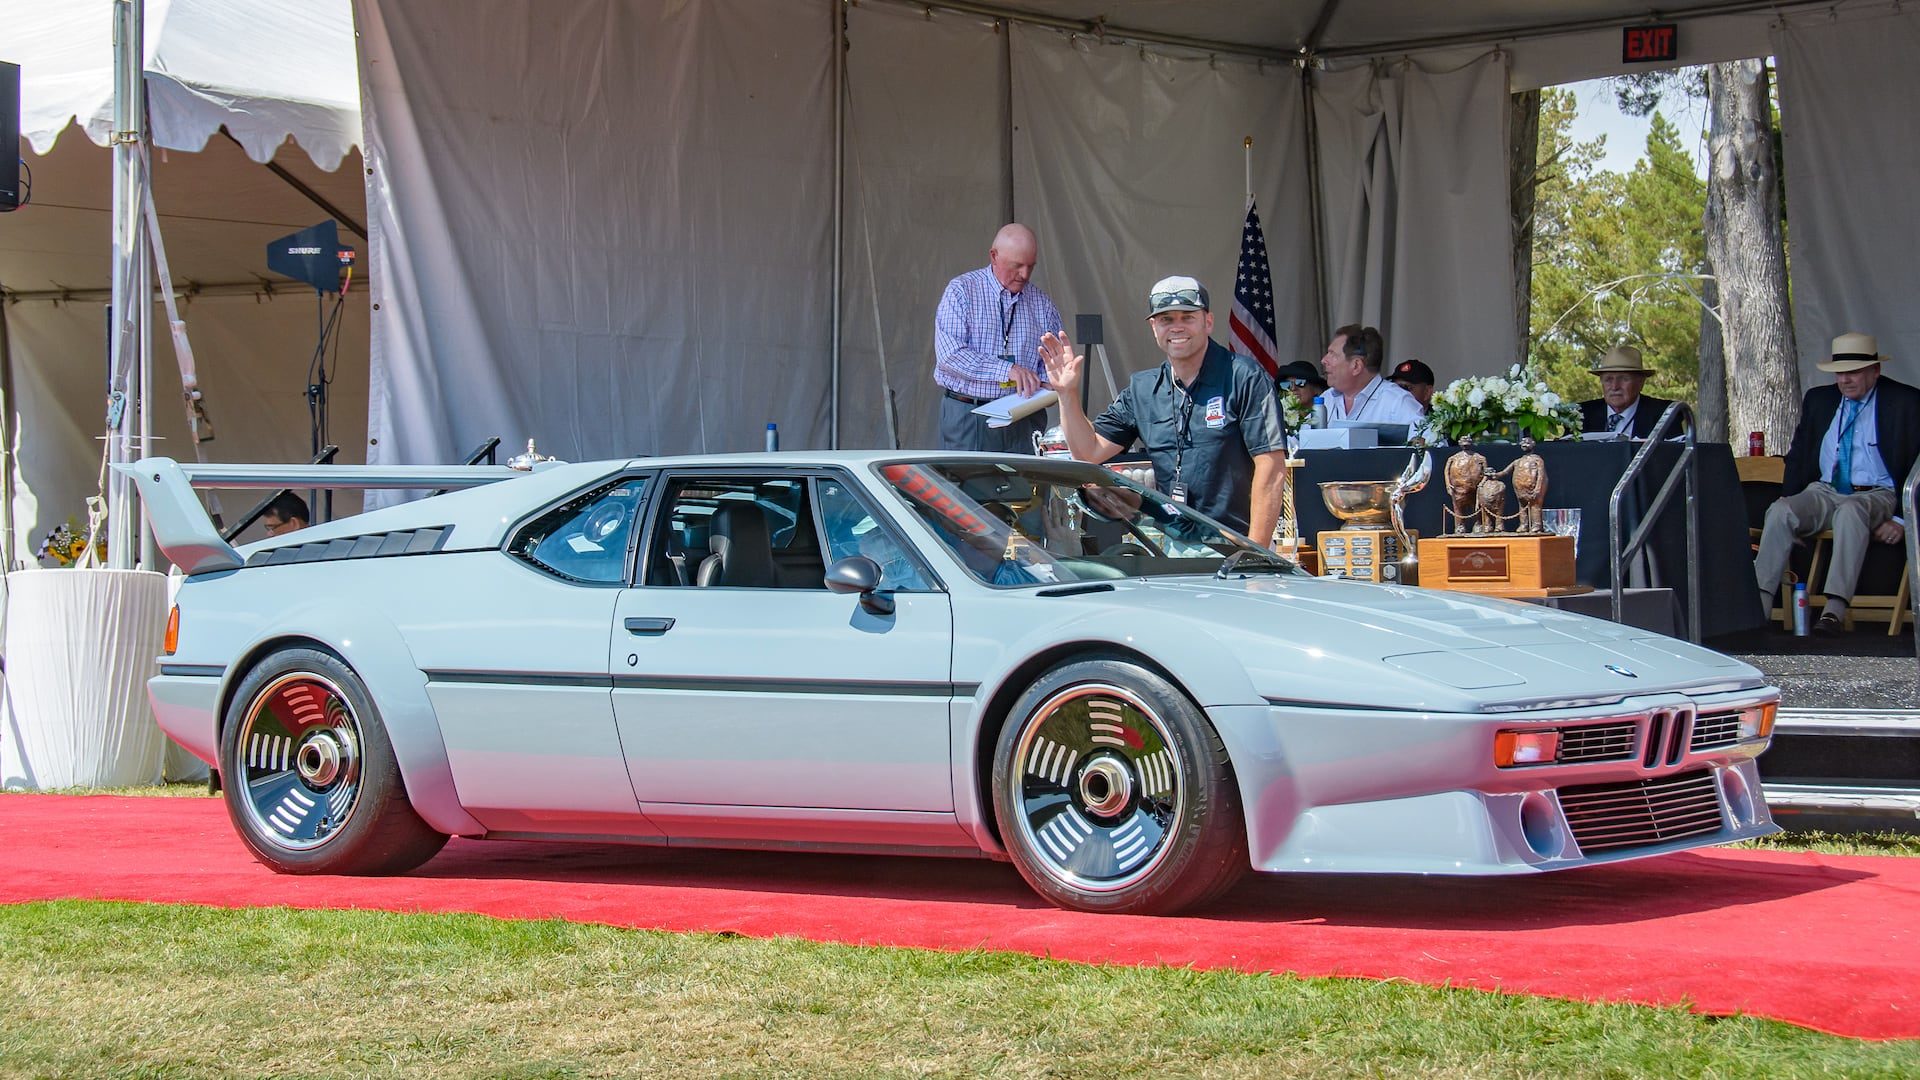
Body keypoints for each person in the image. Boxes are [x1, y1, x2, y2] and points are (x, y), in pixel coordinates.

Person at [1037, 275, 1287, 543]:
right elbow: (1089, 452)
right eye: (1166, 319)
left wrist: (1255, 553)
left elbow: (1271, 467)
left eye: (1187, 317)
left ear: (1208, 321)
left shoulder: (1244, 377)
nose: (1176, 327)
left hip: (1236, 542)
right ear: (1154, 327)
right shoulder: (1143, 388)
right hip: (1172, 545)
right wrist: (1067, 394)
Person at [1754, 332, 1920, 635]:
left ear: (1875, 371)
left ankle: (1834, 610)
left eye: (1854, 371)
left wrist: (1901, 519)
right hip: (1825, 488)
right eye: (1840, 372)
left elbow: (1918, 466)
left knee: (1851, 511)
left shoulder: (1905, 401)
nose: (1845, 379)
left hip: (1876, 493)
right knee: (1780, 511)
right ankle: (1757, 606)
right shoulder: (1820, 399)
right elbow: (1799, 456)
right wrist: (1794, 505)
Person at [932, 223, 1063, 453]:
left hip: (1024, 417)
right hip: (969, 415)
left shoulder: (1042, 304)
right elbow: (950, 356)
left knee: (1027, 487)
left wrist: (1046, 383)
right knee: (969, 488)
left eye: (1030, 266)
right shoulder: (962, 291)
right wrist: (1007, 370)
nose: (1024, 274)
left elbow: (1054, 363)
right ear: (994, 256)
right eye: (1017, 266)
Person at [1318, 325, 1426, 427]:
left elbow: (1429, 443)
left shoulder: (1397, 402)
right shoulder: (1327, 398)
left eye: (1333, 354)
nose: (1323, 360)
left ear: (1356, 366)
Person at [1578, 345, 1673, 438]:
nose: (1615, 387)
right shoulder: (1580, 414)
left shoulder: (1666, 415)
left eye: (1624, 379)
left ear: (1641, 382)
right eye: (1608, 379)